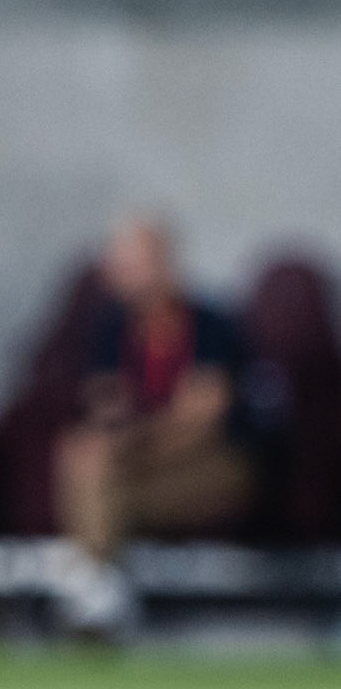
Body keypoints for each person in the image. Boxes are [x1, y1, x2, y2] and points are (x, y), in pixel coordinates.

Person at [52, 219, 255, 635]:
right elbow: (105, 406)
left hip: (216, 465)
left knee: (99, 480)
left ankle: (90, 587)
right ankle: (98, 595)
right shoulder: (111, 329)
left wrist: (127, 443)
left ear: (165, 264)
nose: (125, 277)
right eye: (119, 266)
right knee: (85, 460)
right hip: (140, 464)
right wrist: (109, 442)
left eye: (135, 265)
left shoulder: (212, 324)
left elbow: (200, 425)